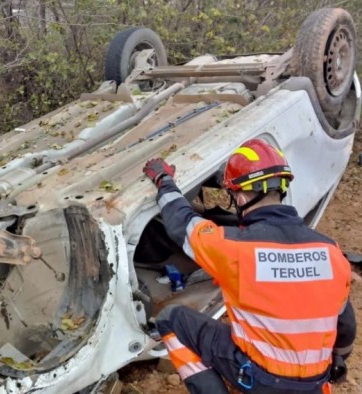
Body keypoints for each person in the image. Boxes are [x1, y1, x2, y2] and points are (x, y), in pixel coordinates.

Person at [142, 138, 356, 394]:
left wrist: (164, 181)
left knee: (170, 319)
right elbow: (345, 325)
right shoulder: (331, 252)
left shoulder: (233, 247)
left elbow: (182, 223)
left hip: (261, 380)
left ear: (241, 196)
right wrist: (339, 360)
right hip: (316, 385)